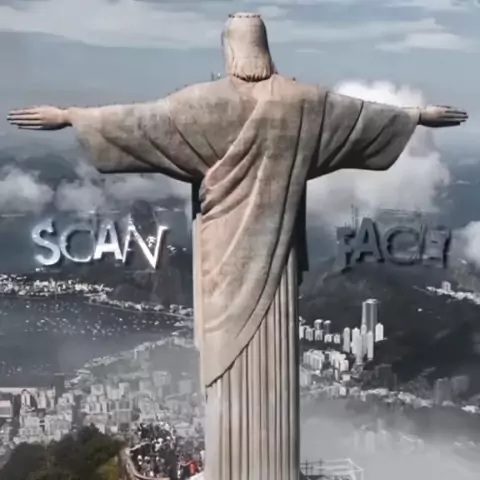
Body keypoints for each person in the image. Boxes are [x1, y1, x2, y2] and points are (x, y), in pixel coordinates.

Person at [7, 12, 467, 480]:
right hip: (278, 262)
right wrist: (417, 117)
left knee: (223, 360)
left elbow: (138, 123)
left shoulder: (200, 105)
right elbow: (362, 120)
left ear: (229, 50)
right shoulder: (303, 104)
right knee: (273, 364)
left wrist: (70, 117)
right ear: (266, 49)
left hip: (221, 264)